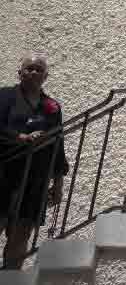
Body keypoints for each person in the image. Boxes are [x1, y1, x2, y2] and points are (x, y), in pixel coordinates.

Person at [0, 54, 68, 270]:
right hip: (4, 176)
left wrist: (57, 184)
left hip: (34, 181)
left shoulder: (52, 107)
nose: (33, 72)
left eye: (39, 69)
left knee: (20, 239)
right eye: (29, 68)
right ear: (19, 73)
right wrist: (20, 138)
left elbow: (58, 146)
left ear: (45, 76)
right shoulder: (4, 97)